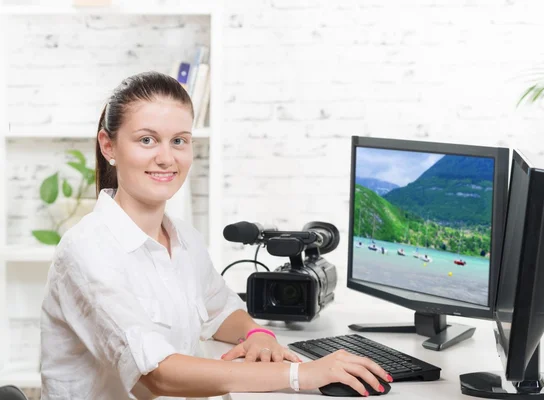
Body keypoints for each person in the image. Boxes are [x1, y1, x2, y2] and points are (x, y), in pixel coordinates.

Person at [40, 72, 391, 400]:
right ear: (109, 146)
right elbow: (157, 374)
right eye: (147, 140)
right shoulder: (88, 250)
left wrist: (257, 334)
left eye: (179, 141)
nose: (166, 158)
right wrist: (300, 375)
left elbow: (220, 309)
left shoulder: (183, 239)